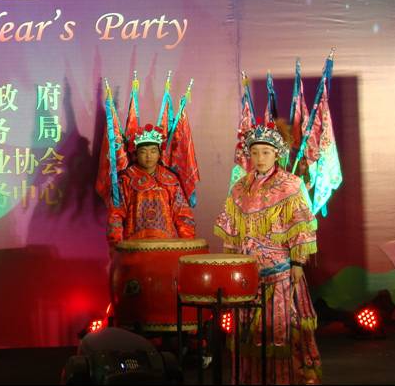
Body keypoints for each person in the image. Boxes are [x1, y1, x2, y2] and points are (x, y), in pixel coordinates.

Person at [214, 123, 321, 384]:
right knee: (247, 333)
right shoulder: (239, 188)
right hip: (247, 274)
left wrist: (297, 262)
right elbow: (231, 232)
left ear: (277, 154)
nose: (259, 158)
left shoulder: (290, 185)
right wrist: (230, 265)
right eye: (255, 152)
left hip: (280, 272)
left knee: (279, 330)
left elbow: (301, 227)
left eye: (265, 152)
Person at [106, 124, 195, 245]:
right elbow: (115, 215)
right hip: (134, 247)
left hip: (167, 246)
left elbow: (182, 214)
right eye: (143, 152)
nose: (148, 156)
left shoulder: (170, 180)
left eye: (153, 151)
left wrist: (187, 244)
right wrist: (116, 244)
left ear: (159, 154)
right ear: (136, 154)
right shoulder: (126, 179)